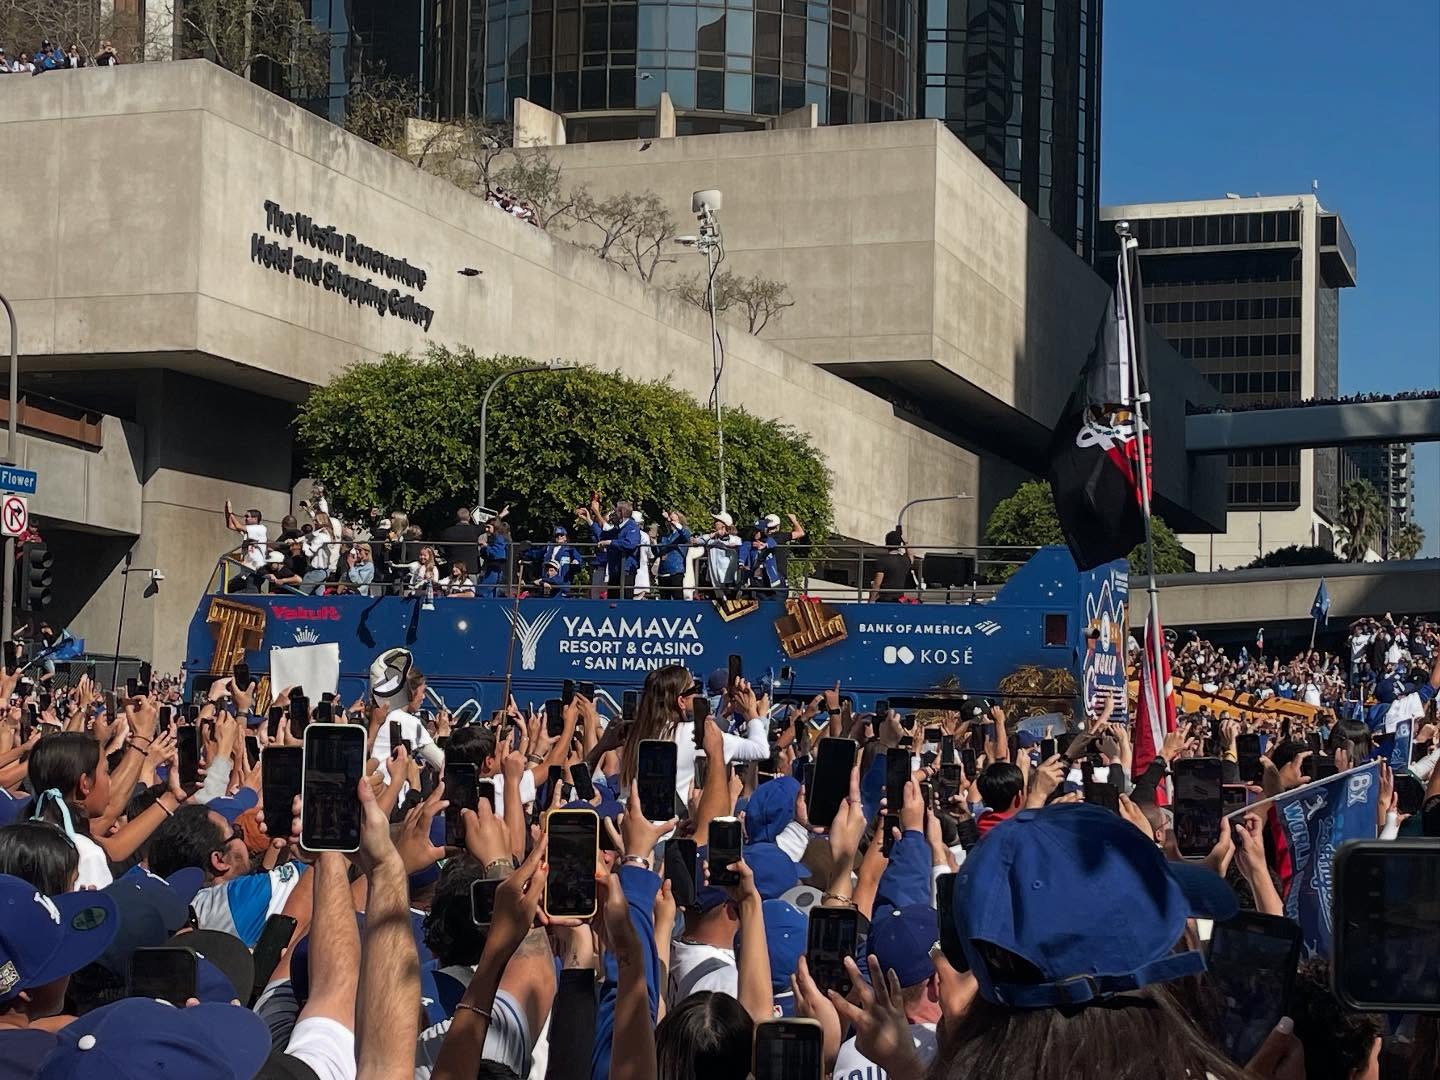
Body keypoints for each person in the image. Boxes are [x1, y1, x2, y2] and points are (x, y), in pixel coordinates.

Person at [692, 512, 741, 599]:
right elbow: (696, 541)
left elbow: (734, 544)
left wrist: (723, 539)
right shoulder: (711, 538)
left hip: (727, 575)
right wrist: (713, 535)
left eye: (717, 521)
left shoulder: (734, 538)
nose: (714, 523)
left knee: (730, 598)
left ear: (723, 524)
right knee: (718, 598)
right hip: (714, 575)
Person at [222, 500, 267, 588]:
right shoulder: (249, 532)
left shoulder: (260, 528)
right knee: (227, 588)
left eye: (247, 516)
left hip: (255, 572)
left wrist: (231, 513)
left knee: (250, 592)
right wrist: (227, 512)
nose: (245, 518)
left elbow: (238, 526)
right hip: (246, 572)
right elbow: (230, 525)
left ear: (255, 519)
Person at [869, 529, 916, 602]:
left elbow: (877, 583)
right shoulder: (904, 561)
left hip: (883, 599)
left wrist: (871, 600)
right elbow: (911, 557)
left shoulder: (882, 560)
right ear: (899, 545)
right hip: (899, 599)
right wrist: (906, 543)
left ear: (887, 544)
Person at [655, 511, 691, 597]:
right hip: (663, 571)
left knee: (677, 597)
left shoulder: (682, 534)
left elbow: (686, 535)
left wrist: (673, 522)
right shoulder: (665, 536)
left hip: (676, 570)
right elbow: (658, 551)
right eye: (669, 520)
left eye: (673, 520)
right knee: (664, 599)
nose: (670, 522)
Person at [438, 507, 484, 575]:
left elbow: (441, 548)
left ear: (457, 518)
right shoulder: (475, 530)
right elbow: (490, 525)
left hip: (454, 569)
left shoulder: (447, 532)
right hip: (472, 569)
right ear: (469, 518)